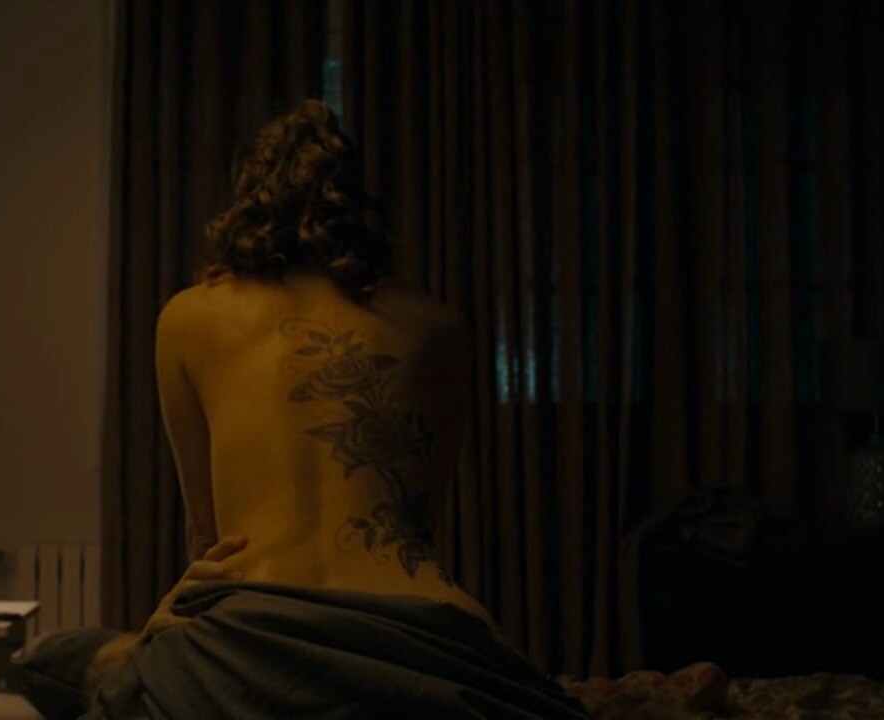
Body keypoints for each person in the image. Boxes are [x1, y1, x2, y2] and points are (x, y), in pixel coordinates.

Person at [84, 99, 584, 719]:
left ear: (247, 197)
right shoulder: (436, 324)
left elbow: (207, 536)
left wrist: (173, 614)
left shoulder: (188, 316)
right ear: (357, 203)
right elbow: (424, 520)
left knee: (70, 664)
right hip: (419, 634)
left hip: (250, 628)